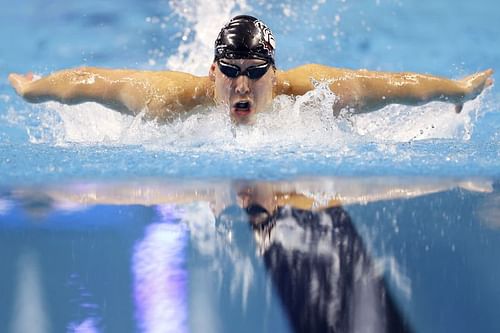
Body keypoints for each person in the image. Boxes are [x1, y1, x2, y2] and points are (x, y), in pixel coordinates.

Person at [8, 15, 493, 125]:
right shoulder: (170, 98)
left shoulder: (314, 91)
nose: (241, 84)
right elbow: (92, 82)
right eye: (231, 70)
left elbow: (393, 86)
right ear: (212, 69)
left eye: (256, 71)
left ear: (275, 73)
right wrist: (34, 91)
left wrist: (456, 90)